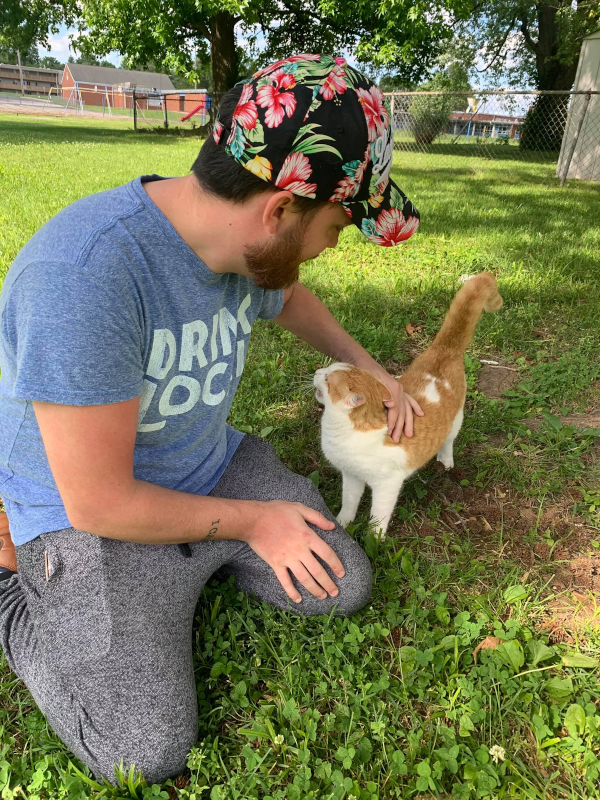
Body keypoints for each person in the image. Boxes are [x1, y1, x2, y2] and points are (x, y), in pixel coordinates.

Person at [0, 54, 422, 785]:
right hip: (90, 516)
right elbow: (99, 500)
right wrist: (257, 522)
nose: (332, 247)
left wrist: (374, 369)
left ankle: (191, 561)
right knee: (142, 747)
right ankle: (14, 583)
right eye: (338, 226)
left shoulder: (243, 249)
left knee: (342, 584)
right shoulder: (86, 274)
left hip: (208, 465)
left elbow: (287, 298)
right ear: (280, 210)